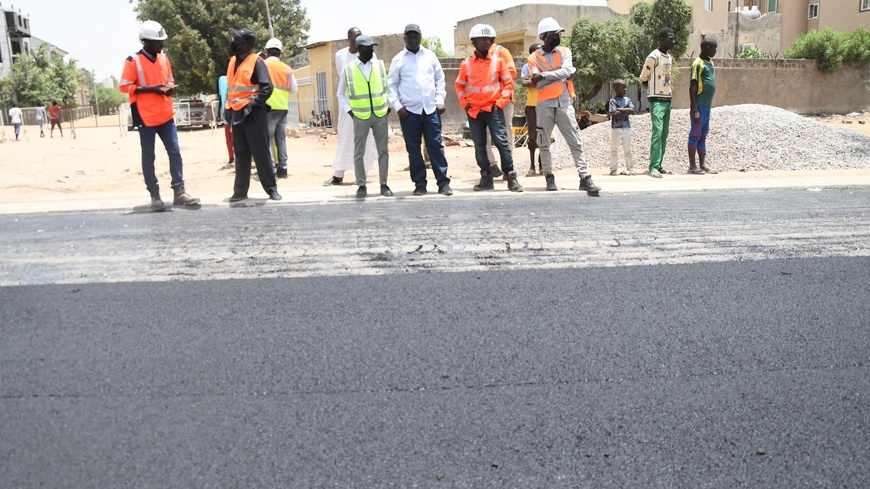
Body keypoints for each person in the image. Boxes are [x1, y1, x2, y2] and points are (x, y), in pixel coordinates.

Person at [118, 20, 199, 210]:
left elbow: (169, 80)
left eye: (162, 41)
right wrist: (151, 89)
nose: (162, 44)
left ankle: (179, 191)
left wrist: (169, 88)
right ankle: (155, 195)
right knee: (149, 156)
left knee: (175, 152)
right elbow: (124, 86)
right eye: (158, 41)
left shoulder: (164, 59)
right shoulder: (133, 61)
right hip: (145, 116)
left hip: (165, 115)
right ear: (146, 41)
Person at [526, 17, 600, 195]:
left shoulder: (566, 52)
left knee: (575, 141)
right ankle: (549, 176)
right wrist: (559, 76)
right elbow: (538, 82)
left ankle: (584, 177)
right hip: (544, 105)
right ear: (544, 37)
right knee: (543, 142)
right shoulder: (533, 58)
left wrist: (544, 75)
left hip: (564, 103)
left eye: (558, 34)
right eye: (554, 34)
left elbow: (564, 72)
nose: (558, 37)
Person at [387, 23, 452, 196]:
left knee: (435, 146)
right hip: (409, 113)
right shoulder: (398, 59)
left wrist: (440, 100)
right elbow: (391, 85)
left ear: (420, 37)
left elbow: (440, 79)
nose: (413, 40)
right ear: (405, 38)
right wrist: (398, 107)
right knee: (414, 149)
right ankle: (420, 184)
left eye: (416, 36)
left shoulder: (430, 56)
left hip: (430, 110)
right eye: (410, 37)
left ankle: (443, 183)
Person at [456, 24, 522, 192]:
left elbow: (508, 84)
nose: (486, 42)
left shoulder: (498, 61)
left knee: (502, 143)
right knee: (480, 146)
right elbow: (460, 85)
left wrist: (499, 103)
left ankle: (511, 177)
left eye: (488, 39)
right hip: (474, 112)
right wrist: (465, 103)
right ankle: (486, 178)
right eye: (482, 39)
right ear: (474, 42)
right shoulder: (466, 64)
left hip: (493, 109)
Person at [225, 28, 281, 202]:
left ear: (246, 44)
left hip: (253, 114)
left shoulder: (256, 62)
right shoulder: (232, 61)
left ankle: (271, 189)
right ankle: (240, 191)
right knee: (241, 154)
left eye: (237, 40)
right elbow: (232, 88)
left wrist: (253, 104)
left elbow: (267, 87)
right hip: (237, 112)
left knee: (261, 152)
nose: (233, 42)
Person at [338, 35, 392, 198]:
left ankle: (384, 184)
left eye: (372, 47)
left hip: (380, 114)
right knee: (359, 152)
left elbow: (387, 88)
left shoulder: (379, 65)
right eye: (368, 48)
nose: (371, 50)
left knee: (383, 151)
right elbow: (340, 94)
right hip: (360, 116)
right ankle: (361, 185)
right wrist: (350, 111)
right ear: (359, 49)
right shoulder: (348, 69)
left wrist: (388, 105)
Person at [325, 27, 377, 186]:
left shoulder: (370, 54)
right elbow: (342, 77)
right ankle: (338, 175)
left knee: (365, 139)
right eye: (356, 36)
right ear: (349, 38)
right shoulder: (340, 55)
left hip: (365, 104)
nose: (359, 38)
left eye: (361, 35)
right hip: (347, 105)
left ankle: (362, 175)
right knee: (345, 139)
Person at [639, 27, 676, 178]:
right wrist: (653, 92)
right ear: (661, 40)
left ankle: (659, 164)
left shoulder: (669, 57)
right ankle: (653, 166)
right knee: (657, 133)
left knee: (664, 134)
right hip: (657, 101)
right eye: (670, 38)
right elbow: (643, 77)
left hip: (667, 99)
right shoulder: (653, 56)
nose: (673, 41)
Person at [264, 37, 298, 179]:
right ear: (280, 52)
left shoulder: (263, 65)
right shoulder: (287, 69)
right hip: (283, 108)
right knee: (281, 139)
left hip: (268, 108)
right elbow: (294, 89)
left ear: (267, 51)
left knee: (267, 140)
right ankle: (283, 169)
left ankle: (271, 170)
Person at [485, 39, 518, 179]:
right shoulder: (477, 55)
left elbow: (512, 73)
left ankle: (508, 167)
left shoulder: (501, 51)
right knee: (484, 134)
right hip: (485, 101)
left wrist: (490, 77)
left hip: (504, 100)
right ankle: (491, 165)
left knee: (506, 132)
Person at [688, 39, 719, 175]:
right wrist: (695, 110)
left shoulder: (710, 63)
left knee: (703, 135)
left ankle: (703, 164)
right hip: (699, 105)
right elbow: (692, 87)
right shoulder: (697, 64)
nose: (715, 51)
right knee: (695, 134)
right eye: (713, 48)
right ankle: (692, 166)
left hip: (707, 106)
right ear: (706, 48)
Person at [520, 43, 542, 176]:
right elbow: (524, 83)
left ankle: (542, 165)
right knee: (532, 135)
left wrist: (533, 81)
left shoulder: (546, 65)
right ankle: (532, 166)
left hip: (545, 104)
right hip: (532, 105)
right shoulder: (526, 67)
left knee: (544, 135)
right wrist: (541, 81)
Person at [608, 79, 635, 176]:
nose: (625, 89)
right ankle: (613, 169)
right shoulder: (612, 101)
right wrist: (625, 110)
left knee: (628, 149)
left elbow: (632, 110)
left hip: (627, 128)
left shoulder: (627, 99)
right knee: (614, 149)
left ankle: (630, 168)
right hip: (616, 128)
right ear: (616, 88)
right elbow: (613, 113)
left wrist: (619, 109)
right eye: (623, 87)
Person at [217, 75, 234, 169]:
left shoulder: (238, 77)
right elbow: (220, 98)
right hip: (227, 114)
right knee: (229, 139)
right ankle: (231, 158)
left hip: (237, 113)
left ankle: (238, 159)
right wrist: (218, 113)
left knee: (238, 139)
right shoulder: (222, 80)